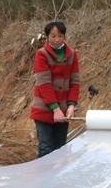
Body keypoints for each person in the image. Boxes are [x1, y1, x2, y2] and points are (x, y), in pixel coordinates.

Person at [29, 21, 80, 157]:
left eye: (60, 36)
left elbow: (75, 82)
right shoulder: (42, 54)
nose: (57, 40)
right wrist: (55, 108)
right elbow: (44, 83)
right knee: (46, 149)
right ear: (47, 37)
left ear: (64, 37)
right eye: (53, 36)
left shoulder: (72, 55)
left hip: (63, 111)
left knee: (60, 149)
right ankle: (44, 178)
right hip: (44, 110)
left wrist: (71, 105)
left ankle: (59, 178)